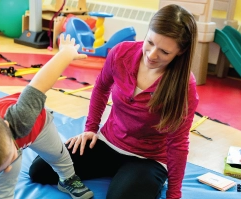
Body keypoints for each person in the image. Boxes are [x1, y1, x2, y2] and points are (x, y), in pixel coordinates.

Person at [29, 4, 199, 199]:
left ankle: (140, 180)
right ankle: (122, 175)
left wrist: (174, 194)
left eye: (164, 52)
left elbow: (178, 143)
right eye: (150, 42)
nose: (152, 55)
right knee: (40, 170)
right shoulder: (121, 53)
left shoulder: (185, 86)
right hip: (108, 142)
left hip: (147, 159)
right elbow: (101, 87)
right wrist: (91, 129)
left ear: (180, 51)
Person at [0, 34, 94, 199]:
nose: (8, 168)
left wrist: (66, 53)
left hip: (38, 127)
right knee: (2, 186)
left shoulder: (22, 117)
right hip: (6, 144)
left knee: (57, 154)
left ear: (7, 126)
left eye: (6, 162)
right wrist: (3, 164)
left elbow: (40, 82)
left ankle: (67, 179)